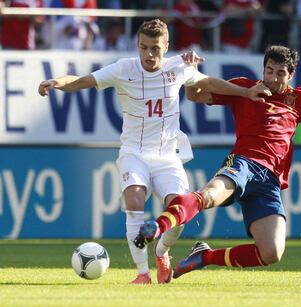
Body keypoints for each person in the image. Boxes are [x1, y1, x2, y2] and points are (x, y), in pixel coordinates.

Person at [133, 45, 301, 279]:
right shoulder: (244, 88)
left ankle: (205, 257)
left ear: (291, 75)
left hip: (270, 182)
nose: (273, 79)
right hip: (243, 164)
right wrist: (190, 74)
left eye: (280, 73)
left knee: (272, 252)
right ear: (263, 69)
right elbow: (195, 95)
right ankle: (158, 226)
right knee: (208, 195)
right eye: (269, 71)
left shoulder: (299, 100)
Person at [37, 19, 268, 285]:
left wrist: (245, 91)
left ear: (166, 47)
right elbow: (82, 80)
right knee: (134, 200)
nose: (148, 54)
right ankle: (143, 273)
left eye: (155, 48)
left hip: (168, 156)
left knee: (179, 211)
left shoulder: (178, 68)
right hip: (134, 152)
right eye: (143, 47)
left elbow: (211, 83)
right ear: (137, 45)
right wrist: (56, 82)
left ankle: (162, 251)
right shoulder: (124, 68)